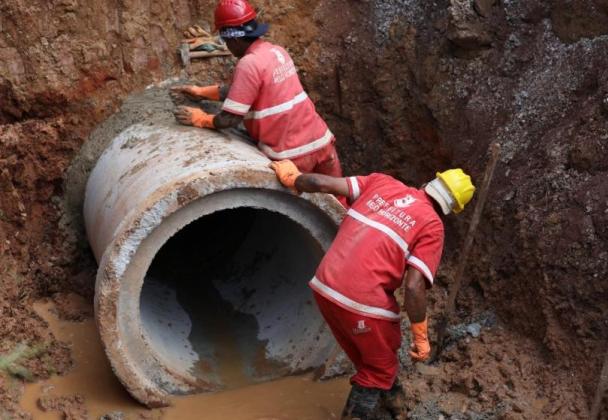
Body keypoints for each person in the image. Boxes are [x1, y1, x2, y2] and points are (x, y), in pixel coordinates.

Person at [270, 160, 476, 419]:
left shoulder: (381, 182)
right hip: (361, 302)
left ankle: (391, 402)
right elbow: (413, 287)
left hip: (324, 285)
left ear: (428, 183)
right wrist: (421, 335)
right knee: (378, 369)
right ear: (452, 209)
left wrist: (294, 179)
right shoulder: (432, 226)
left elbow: (320, 183)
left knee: (375, 353)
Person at [171, 0, 341, 176]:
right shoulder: (276, 51)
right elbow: (247, 90)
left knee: (297, 201)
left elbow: (229, 119)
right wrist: (202, 93)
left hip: (293, 155)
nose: (227, 46)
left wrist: (201, 119)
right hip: (322, 143)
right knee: (339, 201)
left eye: (225, 40)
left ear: (234, 39)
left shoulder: (248, 63)